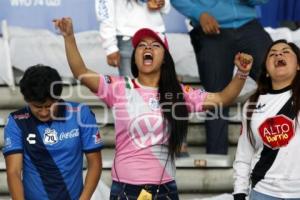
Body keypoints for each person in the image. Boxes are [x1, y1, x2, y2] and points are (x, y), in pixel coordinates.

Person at [54, 17, 253, 199]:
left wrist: (242, 73)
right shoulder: (120, 87)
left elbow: (222, 98)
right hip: (124, 189)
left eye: (155, 45)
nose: (147, 47)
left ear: (164, 58)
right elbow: (81, 72)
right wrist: (69, 37)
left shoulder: (178, 94)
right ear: (135, 57)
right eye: (141, 45)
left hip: (164, 190)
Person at [171, 0, 273, 155]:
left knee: (278, 80)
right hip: (211, 28)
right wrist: (200, 14)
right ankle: (215, 165)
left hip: (249, 25)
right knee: (216, 97)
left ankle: (284, 150)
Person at [2, 65, 104, 200]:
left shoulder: (81, 114)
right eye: (37, 107)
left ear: (58, 97)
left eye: (49, 106)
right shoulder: (16, 121)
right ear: (27, 101)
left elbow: (95, 163)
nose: (44, 112)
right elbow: (13, 171)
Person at [233, 40, 300, 200]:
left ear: (298, 65)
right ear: (267, 71)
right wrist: (239, 193)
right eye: (272, 53)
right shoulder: (252, 104)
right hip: (263, 193)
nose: (278, 54)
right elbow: (244, 154)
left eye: (286, 51)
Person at [95, 0, 170, 77]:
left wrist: (162, 3)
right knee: (131, 85)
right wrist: (110, 46)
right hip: (127, 37)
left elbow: (166, 6)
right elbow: (104, 11)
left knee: (161, 83)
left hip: (156, 34)